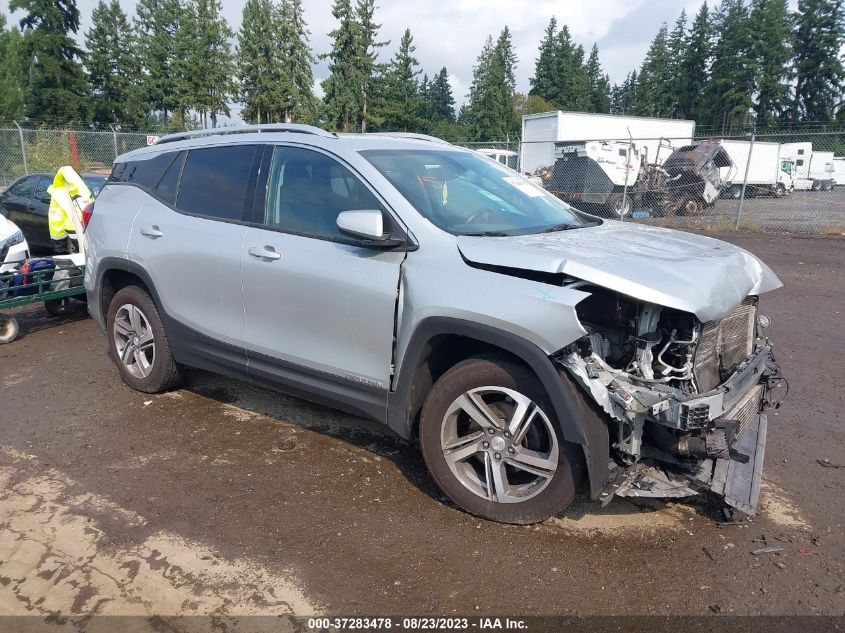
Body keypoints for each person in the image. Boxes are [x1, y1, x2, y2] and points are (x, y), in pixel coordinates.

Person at [47, 166, 92, 256]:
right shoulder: (81, 188)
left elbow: (55, 219)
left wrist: (59, 246)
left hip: (73, 232)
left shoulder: (57, 193)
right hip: (85, 230)